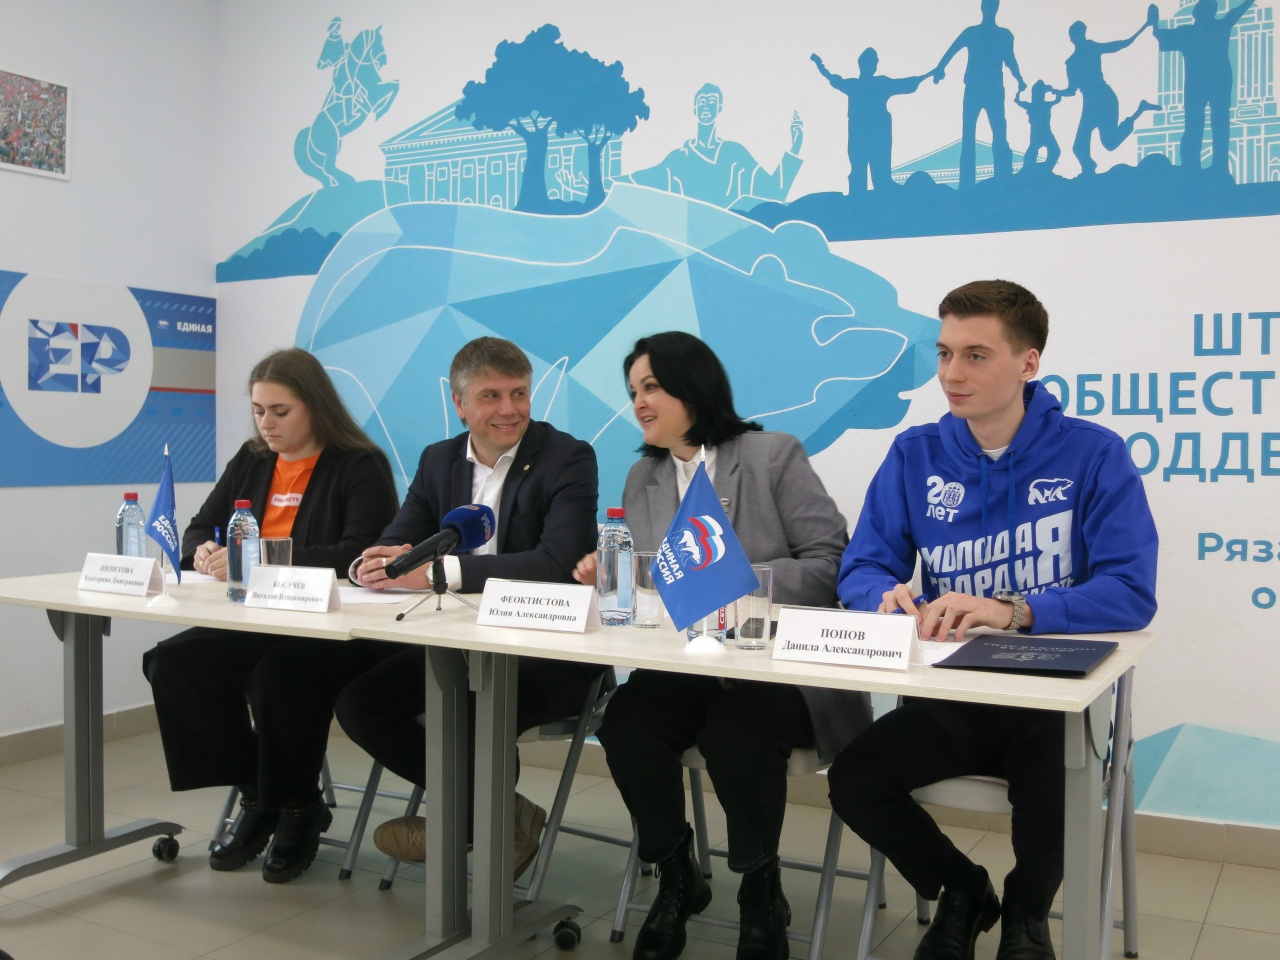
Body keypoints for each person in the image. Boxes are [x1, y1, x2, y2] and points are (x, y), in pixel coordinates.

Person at [827, 280, 1158, 960]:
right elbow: (861, 568)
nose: (952, 373)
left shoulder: (1094, 454)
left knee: (1055, 792)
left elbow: (1130, 591)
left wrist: (1016, 611)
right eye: (945, 353)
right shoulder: (915, 453)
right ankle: (963, 890)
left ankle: (1026, 915)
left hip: (1051, 698)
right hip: (949, 694)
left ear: (1028, 363)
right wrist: (884, 596)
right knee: (856, 779)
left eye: (976, 355)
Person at [574, 331, 870, 960]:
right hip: (689, 664)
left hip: (778, 668)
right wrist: (610, 574)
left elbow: (832, 564)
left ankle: (761, 892)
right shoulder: (644, 476)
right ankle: (677, 876)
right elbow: (655, 583)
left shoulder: (771, 455)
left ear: (693, 387)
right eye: (633, 391)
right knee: (625, 724)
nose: (640, 403)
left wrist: (739, 583)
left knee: (736, 734)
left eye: (652, 387)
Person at [318, 336, 602, 878]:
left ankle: (467, 823)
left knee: (472, 710)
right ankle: (495, 816)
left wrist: (440, 574)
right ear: (460, 403)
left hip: (548, 650)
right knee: (360, 703)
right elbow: (398, 541)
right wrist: (370, 567)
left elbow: (555, 562)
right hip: (457, 644)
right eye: (491, 396)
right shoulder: (439, 460)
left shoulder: (567, 457)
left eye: (519, 393)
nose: (509, 409)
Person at [142, 348, 399, 881]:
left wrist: (257, 557)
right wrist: (202, 552)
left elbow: (359, 553)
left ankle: (298, 808)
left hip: (331, 626)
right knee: (173, 663)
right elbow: (200, 526)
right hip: (256, 618)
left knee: (278, 678)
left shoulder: (358, 464)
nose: (266, 423)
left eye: (280, 411)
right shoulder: (252, 459)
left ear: (315, 406)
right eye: (259, 411)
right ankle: (260, 793)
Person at [622, 83, 804, 211]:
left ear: (719, 108)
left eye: (711, 102)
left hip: (730, 237)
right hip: (691, 239)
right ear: (695, 109)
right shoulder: (679, 158)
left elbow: (773, 193)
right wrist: (607, 181)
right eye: (701, 102)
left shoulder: (734, 153)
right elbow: (639, 180)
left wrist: (795, 147)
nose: (706, 107)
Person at [1151, 0, 1255, 174]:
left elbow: (1162, 37)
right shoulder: (1219, 27)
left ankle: (1195, 167)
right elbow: (1238, 11)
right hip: (1216, 84)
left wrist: (1154, 23)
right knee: (1217, 125)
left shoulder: (1189, 32)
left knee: (1197, 125)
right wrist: (1154, 24)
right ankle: (1216, 167)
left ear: (1196, 13)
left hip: (1199, 86)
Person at [932, 0, 1026, 188]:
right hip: (978, 88)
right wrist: (940, 68)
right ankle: (973, 184)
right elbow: (951, 51)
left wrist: (1019, 79)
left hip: (989, 89)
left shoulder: (998, 35)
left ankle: (999, 180)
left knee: (994, 133)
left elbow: (1010, 60)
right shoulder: (982, 33)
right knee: (977, 134)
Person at [811, 49, 930, 193]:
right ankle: (860, 197)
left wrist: (928, 75)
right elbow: (833, 79)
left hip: (875, 135)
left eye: (874, 63)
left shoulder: (875, 84)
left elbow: (906, 83)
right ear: (862, 64)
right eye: (871, 63)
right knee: (859, 171)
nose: (872, 66)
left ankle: (876, 194)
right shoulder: (858, 85)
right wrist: (819, 64)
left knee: (878, 174)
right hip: (860, 135)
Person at [1061, 15, 1160, 176]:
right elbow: (1071, 90)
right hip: (1091, 102)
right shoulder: (1071, 62)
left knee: (1104, 144)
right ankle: (1089, 171)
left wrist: (1144, 26)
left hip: (1104, 98)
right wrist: (1055, 92)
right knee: (1083, 146)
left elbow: (1120, 44)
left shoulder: (1091, 49)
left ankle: (1088, 172)